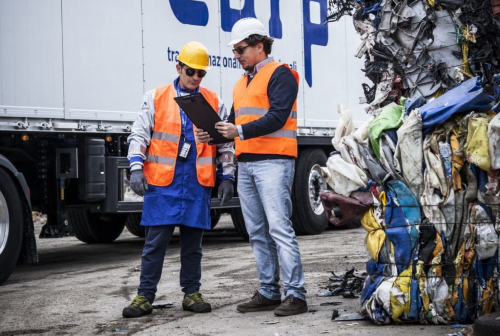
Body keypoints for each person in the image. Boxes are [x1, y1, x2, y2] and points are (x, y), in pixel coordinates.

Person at [200, 18, 307, 316]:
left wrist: (239, 133)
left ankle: (296, 295)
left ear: (260, 45)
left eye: (240, 49)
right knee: (257, 231)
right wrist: (211, 134)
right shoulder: (240, 83)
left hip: (274, 162)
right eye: (234, 50)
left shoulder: (281, 74)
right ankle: (269, 291)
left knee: (279, 229)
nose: (236, 55)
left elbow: (278, 116)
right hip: (246, 164)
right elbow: (234, 123)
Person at [123, 41, 235, 318]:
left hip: (196, 183)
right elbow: (139, 135)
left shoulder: (214, 101)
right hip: (163, 183)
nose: (196, 77)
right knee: (154, 244)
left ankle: (191, 293)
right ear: (178, 67)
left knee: (193, 245)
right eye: (191, 71)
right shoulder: (156, 97)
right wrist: (136, 167)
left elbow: (225, 144)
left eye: (201, 74)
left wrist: (228, 175)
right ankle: (144, 297)